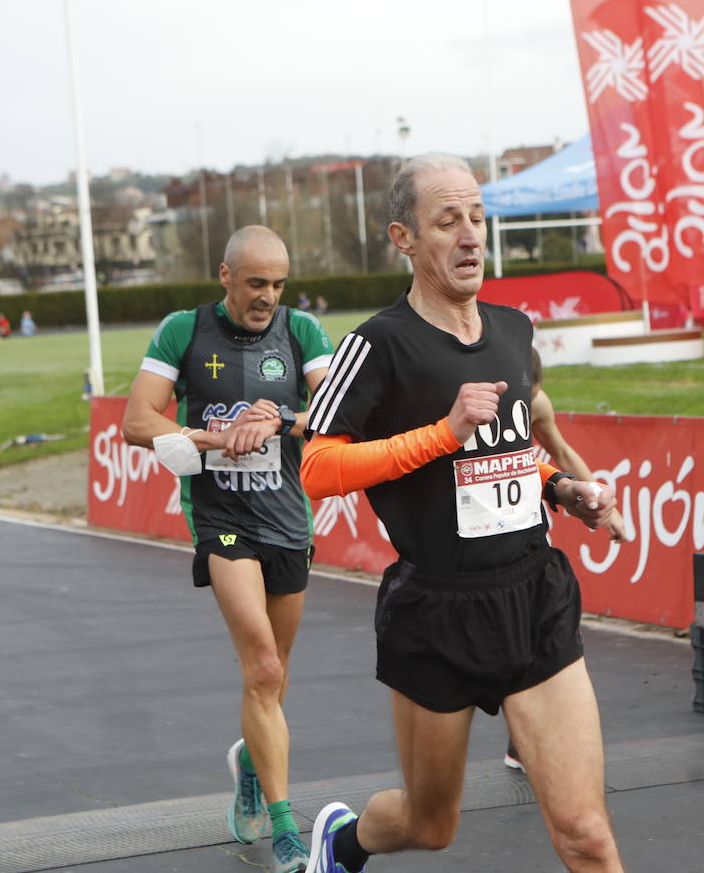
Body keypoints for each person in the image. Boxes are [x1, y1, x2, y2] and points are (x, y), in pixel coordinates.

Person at [300, 154, 623, 872]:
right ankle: (343, 842)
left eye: (477, 217)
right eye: (448, 221)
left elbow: (503, 456)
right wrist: (440, 434)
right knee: (429, 823)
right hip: (437, 613)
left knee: (586, 833)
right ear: (404, 238)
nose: (470, 235)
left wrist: (561, 489)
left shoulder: (513, 329)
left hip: (533, 593)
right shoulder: (375, 345)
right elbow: (315, 469)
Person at [121, 225, 332, 873]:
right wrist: (208, 439)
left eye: (277, 284)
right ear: (225, 276)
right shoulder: (183, 331)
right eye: (255, 283)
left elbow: (339, 416)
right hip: (220, 518)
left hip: (287, 518)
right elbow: (136, 420)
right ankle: (286, 828)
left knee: (273, 674)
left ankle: (250, 762)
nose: (267, 296)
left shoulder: (303, 334)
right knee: (263, 665)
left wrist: (279, 420)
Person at [502, 346, 626, 773]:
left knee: (546, 617)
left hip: (527, 515)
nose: (526, 407)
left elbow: (562, 451)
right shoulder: (469, 398)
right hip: (473, 529)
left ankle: (526, 738)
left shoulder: (536, 401)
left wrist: (605, 507)